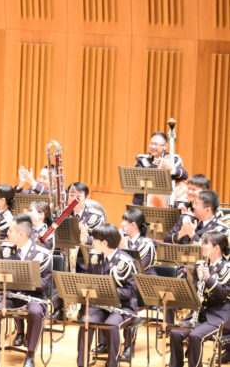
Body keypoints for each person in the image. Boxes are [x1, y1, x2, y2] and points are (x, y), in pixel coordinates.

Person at [0, 215, 52, 367]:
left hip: (33, 297)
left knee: (35, 312)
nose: (7, 233)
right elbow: (0, 275)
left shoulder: (43, 255)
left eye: (10, 230)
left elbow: (45, 284)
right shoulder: (5, 249)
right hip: (9, 295)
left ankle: (30, 355)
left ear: (21, 234)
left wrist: (23, 281)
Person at [76, 223, 138, 367]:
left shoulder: (127, 262)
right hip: (100, 306)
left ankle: (112, 363)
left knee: (111, 325)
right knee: (86, 321)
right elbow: (90, 281)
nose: (92, 242)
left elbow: (132, 290)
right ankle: (81, 363)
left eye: (95, 239)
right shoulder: (94, 257)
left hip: (123, 307)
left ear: (104, 243)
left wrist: (109, 292)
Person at [169, 231, 230, 367]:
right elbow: (196, 292)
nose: (202, 246)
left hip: (220, 315)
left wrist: (208, 279)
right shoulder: (201, 265)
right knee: (176, 332)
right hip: (201, 313)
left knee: (195, 336)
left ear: (216, 248)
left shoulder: (227, 268)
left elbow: (223, 293)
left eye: (205, 243)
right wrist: (197, 280)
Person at [133, 132, 188, 206]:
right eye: (151, 143)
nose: (152, 146)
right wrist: (155, 166)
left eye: (156, 144)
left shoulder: (173, 159)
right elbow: (139, 179)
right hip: (143, 201)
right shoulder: (142, 159)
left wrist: (171, 169)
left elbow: (184, 175)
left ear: (165, 146)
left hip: (166, 201)